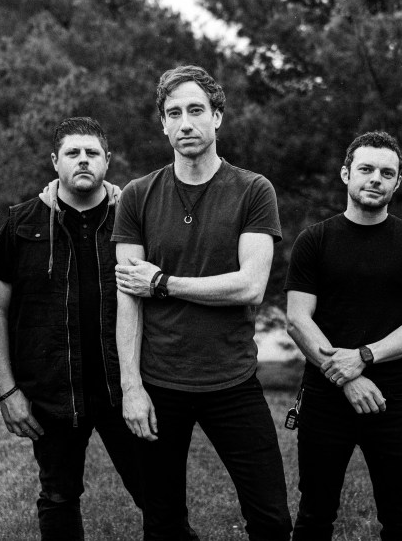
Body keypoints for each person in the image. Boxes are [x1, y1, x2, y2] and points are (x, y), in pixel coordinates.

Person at [0, 117, 197, 540]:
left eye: (92, 152)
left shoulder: (133, 218)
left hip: (128, 388)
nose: (83, 160)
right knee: (58, 497)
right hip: (52, 393)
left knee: (159, 498)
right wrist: (7, 392)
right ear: (54, 161)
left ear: (107, 161)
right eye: (72, 153)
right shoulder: (21, 222)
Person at [113, 65, 293, 541]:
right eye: (174, 113)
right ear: (163, 124)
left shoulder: (253, 190)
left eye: (196, 110)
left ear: (217, 117)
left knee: (272, 520)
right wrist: (131, 387)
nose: (186, 123)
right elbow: (128, 298)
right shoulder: (137, 196)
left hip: (231, 379)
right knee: (163, 524)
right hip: (159, 383)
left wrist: (163, 283)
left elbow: (250, 286)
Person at [284, 131, 402, 541]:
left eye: (387, 173)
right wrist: (348, 377)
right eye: (366, 169)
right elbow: (298, 320)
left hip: (393, 400)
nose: (375, 179)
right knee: (314, 516)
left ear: (398, 182)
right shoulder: (315, 240)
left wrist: (364, 356)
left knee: (401, 519)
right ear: (346, 174)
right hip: (324, 400)